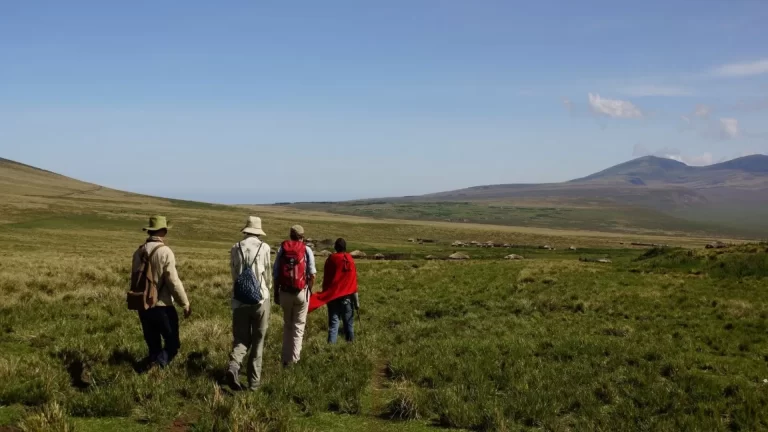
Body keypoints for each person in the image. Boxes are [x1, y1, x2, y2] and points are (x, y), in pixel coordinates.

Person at [130, 215, 191, 369]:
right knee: (172, 343)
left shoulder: (138, 251)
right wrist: (184, 303)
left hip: (143, 304)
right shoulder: (165, 252)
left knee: (153, 343)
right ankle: (157, 367)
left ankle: (151, 365)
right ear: (163, 231)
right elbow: (173, 281)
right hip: (162, 305)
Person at [226, 216, 271, 391]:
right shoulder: (264, 248)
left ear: (246, 230)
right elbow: (267, 274)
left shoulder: (235, 247)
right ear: (258, 231)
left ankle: (234, 365)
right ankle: (254, 384)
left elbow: (233, 273)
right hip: (260, 299)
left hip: (240, 301)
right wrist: (267, 291)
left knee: (241, 338)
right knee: (258, 341)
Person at [273, 225, 316, 366]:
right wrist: (309, 290)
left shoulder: (282, 249)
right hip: (301, 292)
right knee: (299, 326)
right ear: (302, 236)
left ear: (290, 235)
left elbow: (276, 273)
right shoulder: (306, 250)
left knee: (287, 326)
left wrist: (276, 293)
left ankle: (285, 359)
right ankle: (295, 360)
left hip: (284, 292)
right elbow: (312, 274)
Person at [308, 238, 359, 343]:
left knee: (333, 324)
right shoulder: (350, 259)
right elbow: (353, 282)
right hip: (347, 298)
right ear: (345, 247)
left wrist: (326, 292)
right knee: (348, 323)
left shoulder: (331, 259)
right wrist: (356, 302)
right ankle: (350, 346)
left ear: (336, 247)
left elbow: (327, 278)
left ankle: (330, 349)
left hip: (333, 297)